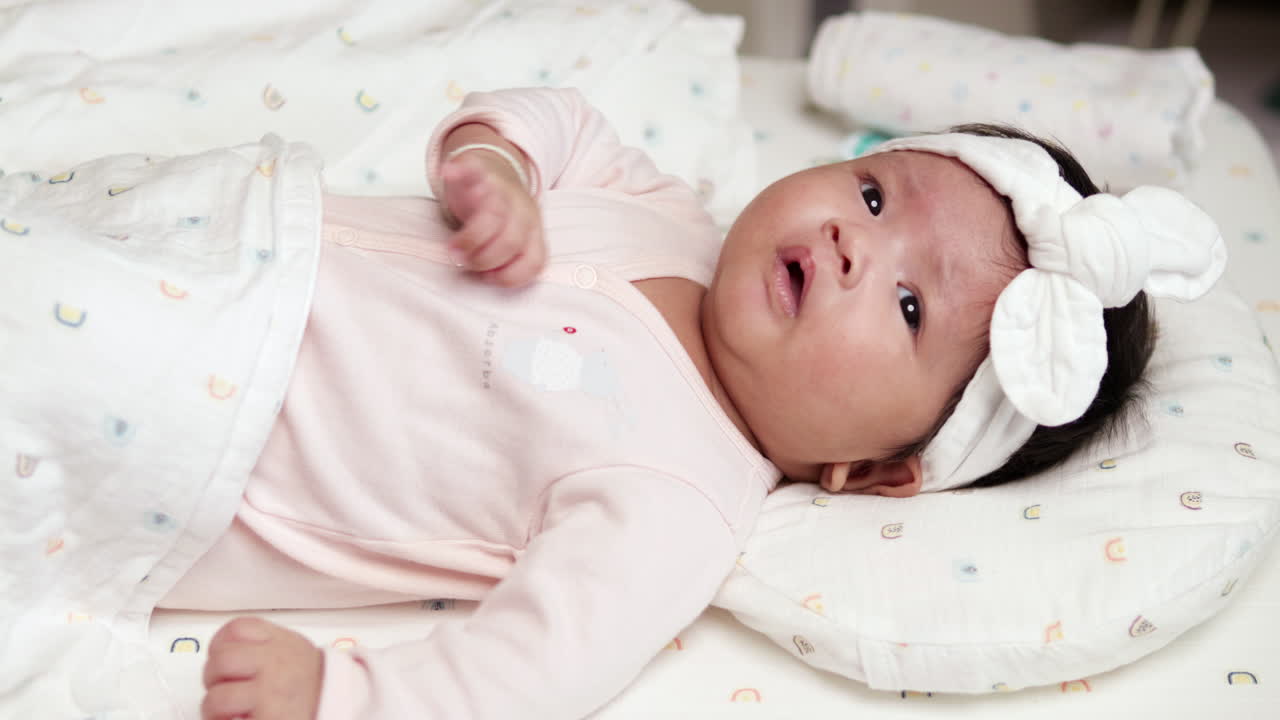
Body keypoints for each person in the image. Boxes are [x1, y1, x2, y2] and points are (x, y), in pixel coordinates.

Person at [133, 87, 1220, 719]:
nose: (854, 241)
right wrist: (497, 161)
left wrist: (338, 696)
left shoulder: (679, 496)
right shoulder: (669, 217)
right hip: (193, 229)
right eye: (874, 194)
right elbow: (566, 124)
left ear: (879, 471)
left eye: (906, 305)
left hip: (173, 425)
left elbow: (533, 671)